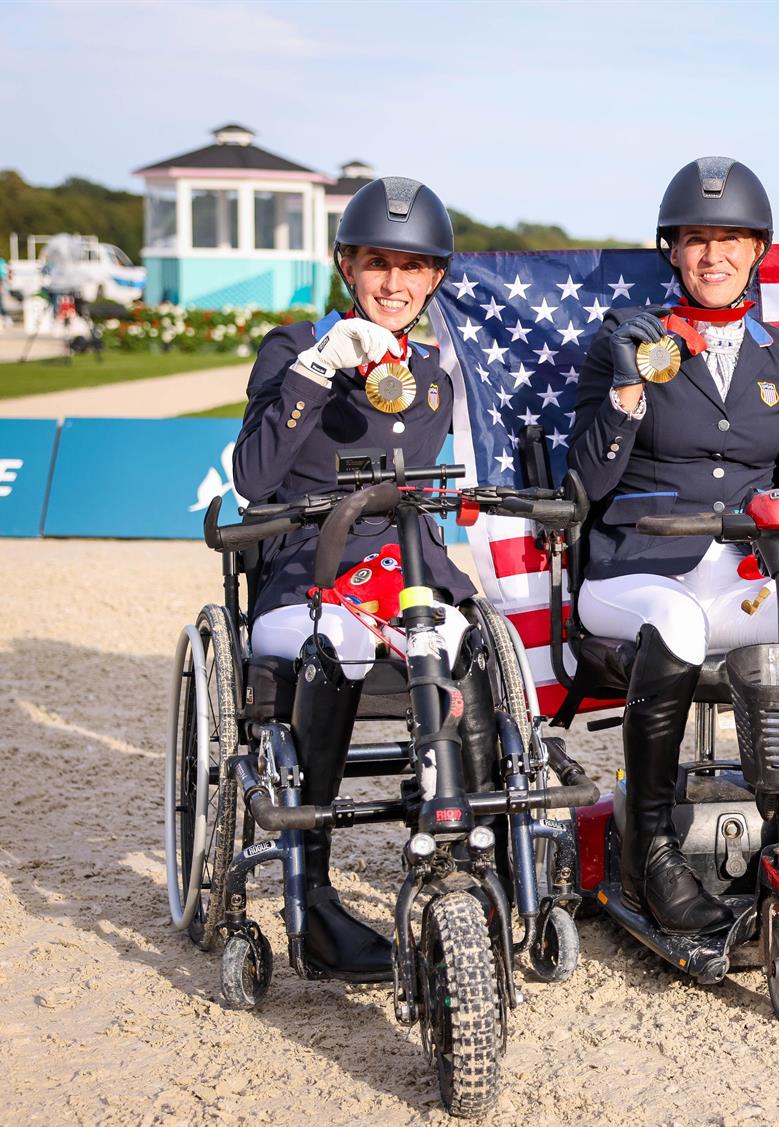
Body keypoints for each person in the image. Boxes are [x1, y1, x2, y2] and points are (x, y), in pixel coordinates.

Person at [567, 157, 779, 934]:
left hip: (738, 571)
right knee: (683, 626)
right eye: (697, 239)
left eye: (731, 239)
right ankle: (653, 851)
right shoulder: (628, 340)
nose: (714, 256)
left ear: (758, 248)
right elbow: (586, 482)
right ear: (673, 250)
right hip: (634, 567)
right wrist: (628, 389)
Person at [231, 176, 496, 982]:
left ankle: (469, 859)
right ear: (347, 264)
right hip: (304, 576)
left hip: (399, 575)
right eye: (378, 262)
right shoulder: (291, 348)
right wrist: (316, 370)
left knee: (468, 637)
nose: (393, 283)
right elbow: (253, 476)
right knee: (339, 640)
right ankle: (310, 902)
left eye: (412, 267)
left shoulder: (434, 378)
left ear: (436, 278)